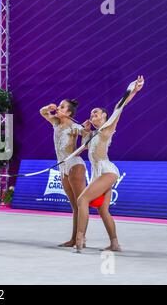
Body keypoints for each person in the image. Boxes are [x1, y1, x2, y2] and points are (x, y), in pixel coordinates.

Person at [75, 75, 145, 252]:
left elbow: (118, 107)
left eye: (96, 113)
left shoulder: (107, 128)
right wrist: (86, 131)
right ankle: (115, 243)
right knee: (103, 210)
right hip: (98, 174)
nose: (93, 115)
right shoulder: (94, 134)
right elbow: (84, 148)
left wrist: (133, 90)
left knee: (82, 199)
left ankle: (80, 239)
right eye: (91, 113)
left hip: (107, 171)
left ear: (105, 117)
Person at [40, 99, 87, 247]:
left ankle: (81, 238)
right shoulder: (55, 122)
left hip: (74, 165)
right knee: (74, 207)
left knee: (81, 205)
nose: (58, 108)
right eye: (59, 106)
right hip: (63, 168)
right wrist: (49, 107)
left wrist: (85, 130)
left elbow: (86, 135)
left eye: (62, 107)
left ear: (69, 112)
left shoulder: (74, 126)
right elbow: (42, 112)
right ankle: (74, 238)